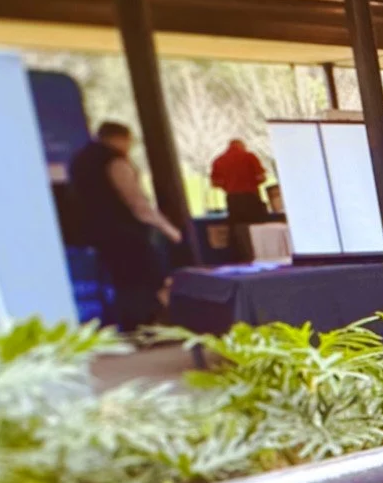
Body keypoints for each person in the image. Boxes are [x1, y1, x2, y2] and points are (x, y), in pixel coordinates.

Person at [68, 121, 183, 329]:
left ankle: (130, 325)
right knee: (145, 279)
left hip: (96, 233)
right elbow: (136, 202)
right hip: (126, 234)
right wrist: (170, 230)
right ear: (120, 138)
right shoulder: (114, 161)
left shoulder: (79, 161)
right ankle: (146, 323)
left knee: (121, 282)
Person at [208, 138, 267, 262]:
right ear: (242, 146)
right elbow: (261, 177)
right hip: (251, 197)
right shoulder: (250, 157)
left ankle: (240, 257)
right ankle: (260, 254)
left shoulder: (219, 160)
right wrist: (252, 182)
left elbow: (214, 183)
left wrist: (227, 185)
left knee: (236, 230)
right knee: (257, 227)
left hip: (233, 199)